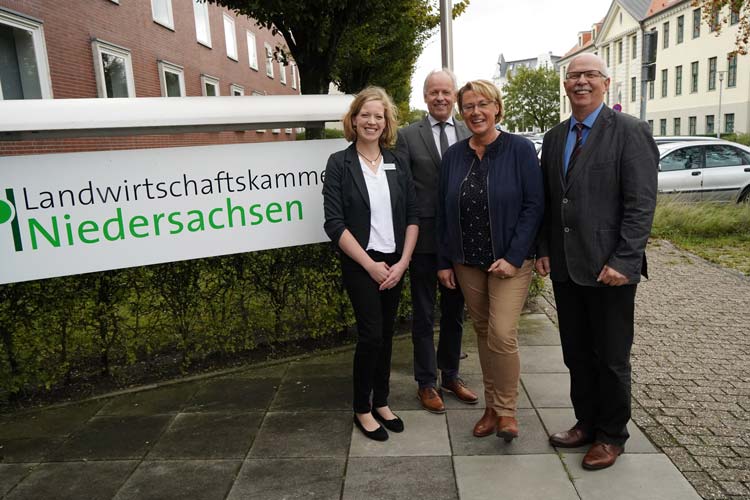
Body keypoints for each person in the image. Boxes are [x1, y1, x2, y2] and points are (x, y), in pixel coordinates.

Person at [536, 53, 658, 469]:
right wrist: (545, 249)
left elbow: (641, 204)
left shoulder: (630, 131)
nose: (580, 82)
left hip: (611, 270)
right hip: (568, 269)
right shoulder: (554, 138)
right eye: (573, 76)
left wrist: (625, 260)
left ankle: (611, 434)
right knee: (575, 354)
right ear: (565, 85)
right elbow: (550, 202)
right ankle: (585, 423)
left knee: (610, 356)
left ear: (607, 83)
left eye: (590, 75)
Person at [436, 80, 544, 441]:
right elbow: (442, 211)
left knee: (501, 333)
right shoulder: (453, 157)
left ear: (497, 108)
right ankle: (490, 409)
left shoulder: (520, 149)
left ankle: (507, 412)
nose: (476, 112)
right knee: (483, 333)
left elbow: (534, 206)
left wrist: (514, 258)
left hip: (509, 262)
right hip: (467, 261)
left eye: (483, 104)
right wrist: (444, 261)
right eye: (468, 106)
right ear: (461, 113)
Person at [322, 86, 419, 441]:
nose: (372, 121)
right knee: (371, 335)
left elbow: (412, 214)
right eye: (366, 115)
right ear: (354, 119)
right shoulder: (340, 164)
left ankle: (381, 401)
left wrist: (403, 262)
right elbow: (334, 224)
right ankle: (361, 408)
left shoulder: (397, 162)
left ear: (387, 122)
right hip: (362, 265)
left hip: (395, 264)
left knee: (388, 334)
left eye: (379, 116)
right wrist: (370, 265)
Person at [395, 69, 478, 414]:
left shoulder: (469, 130)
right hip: (425, 238)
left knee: (455, 312)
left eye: (446, 92)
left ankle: (451, 375)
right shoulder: (406, 136)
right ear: (425, 96)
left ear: (454, 95)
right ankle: (426, 383)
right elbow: (401, 188)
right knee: (424, 313)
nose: (440, 98)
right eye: (434, 93)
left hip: (460, 238)